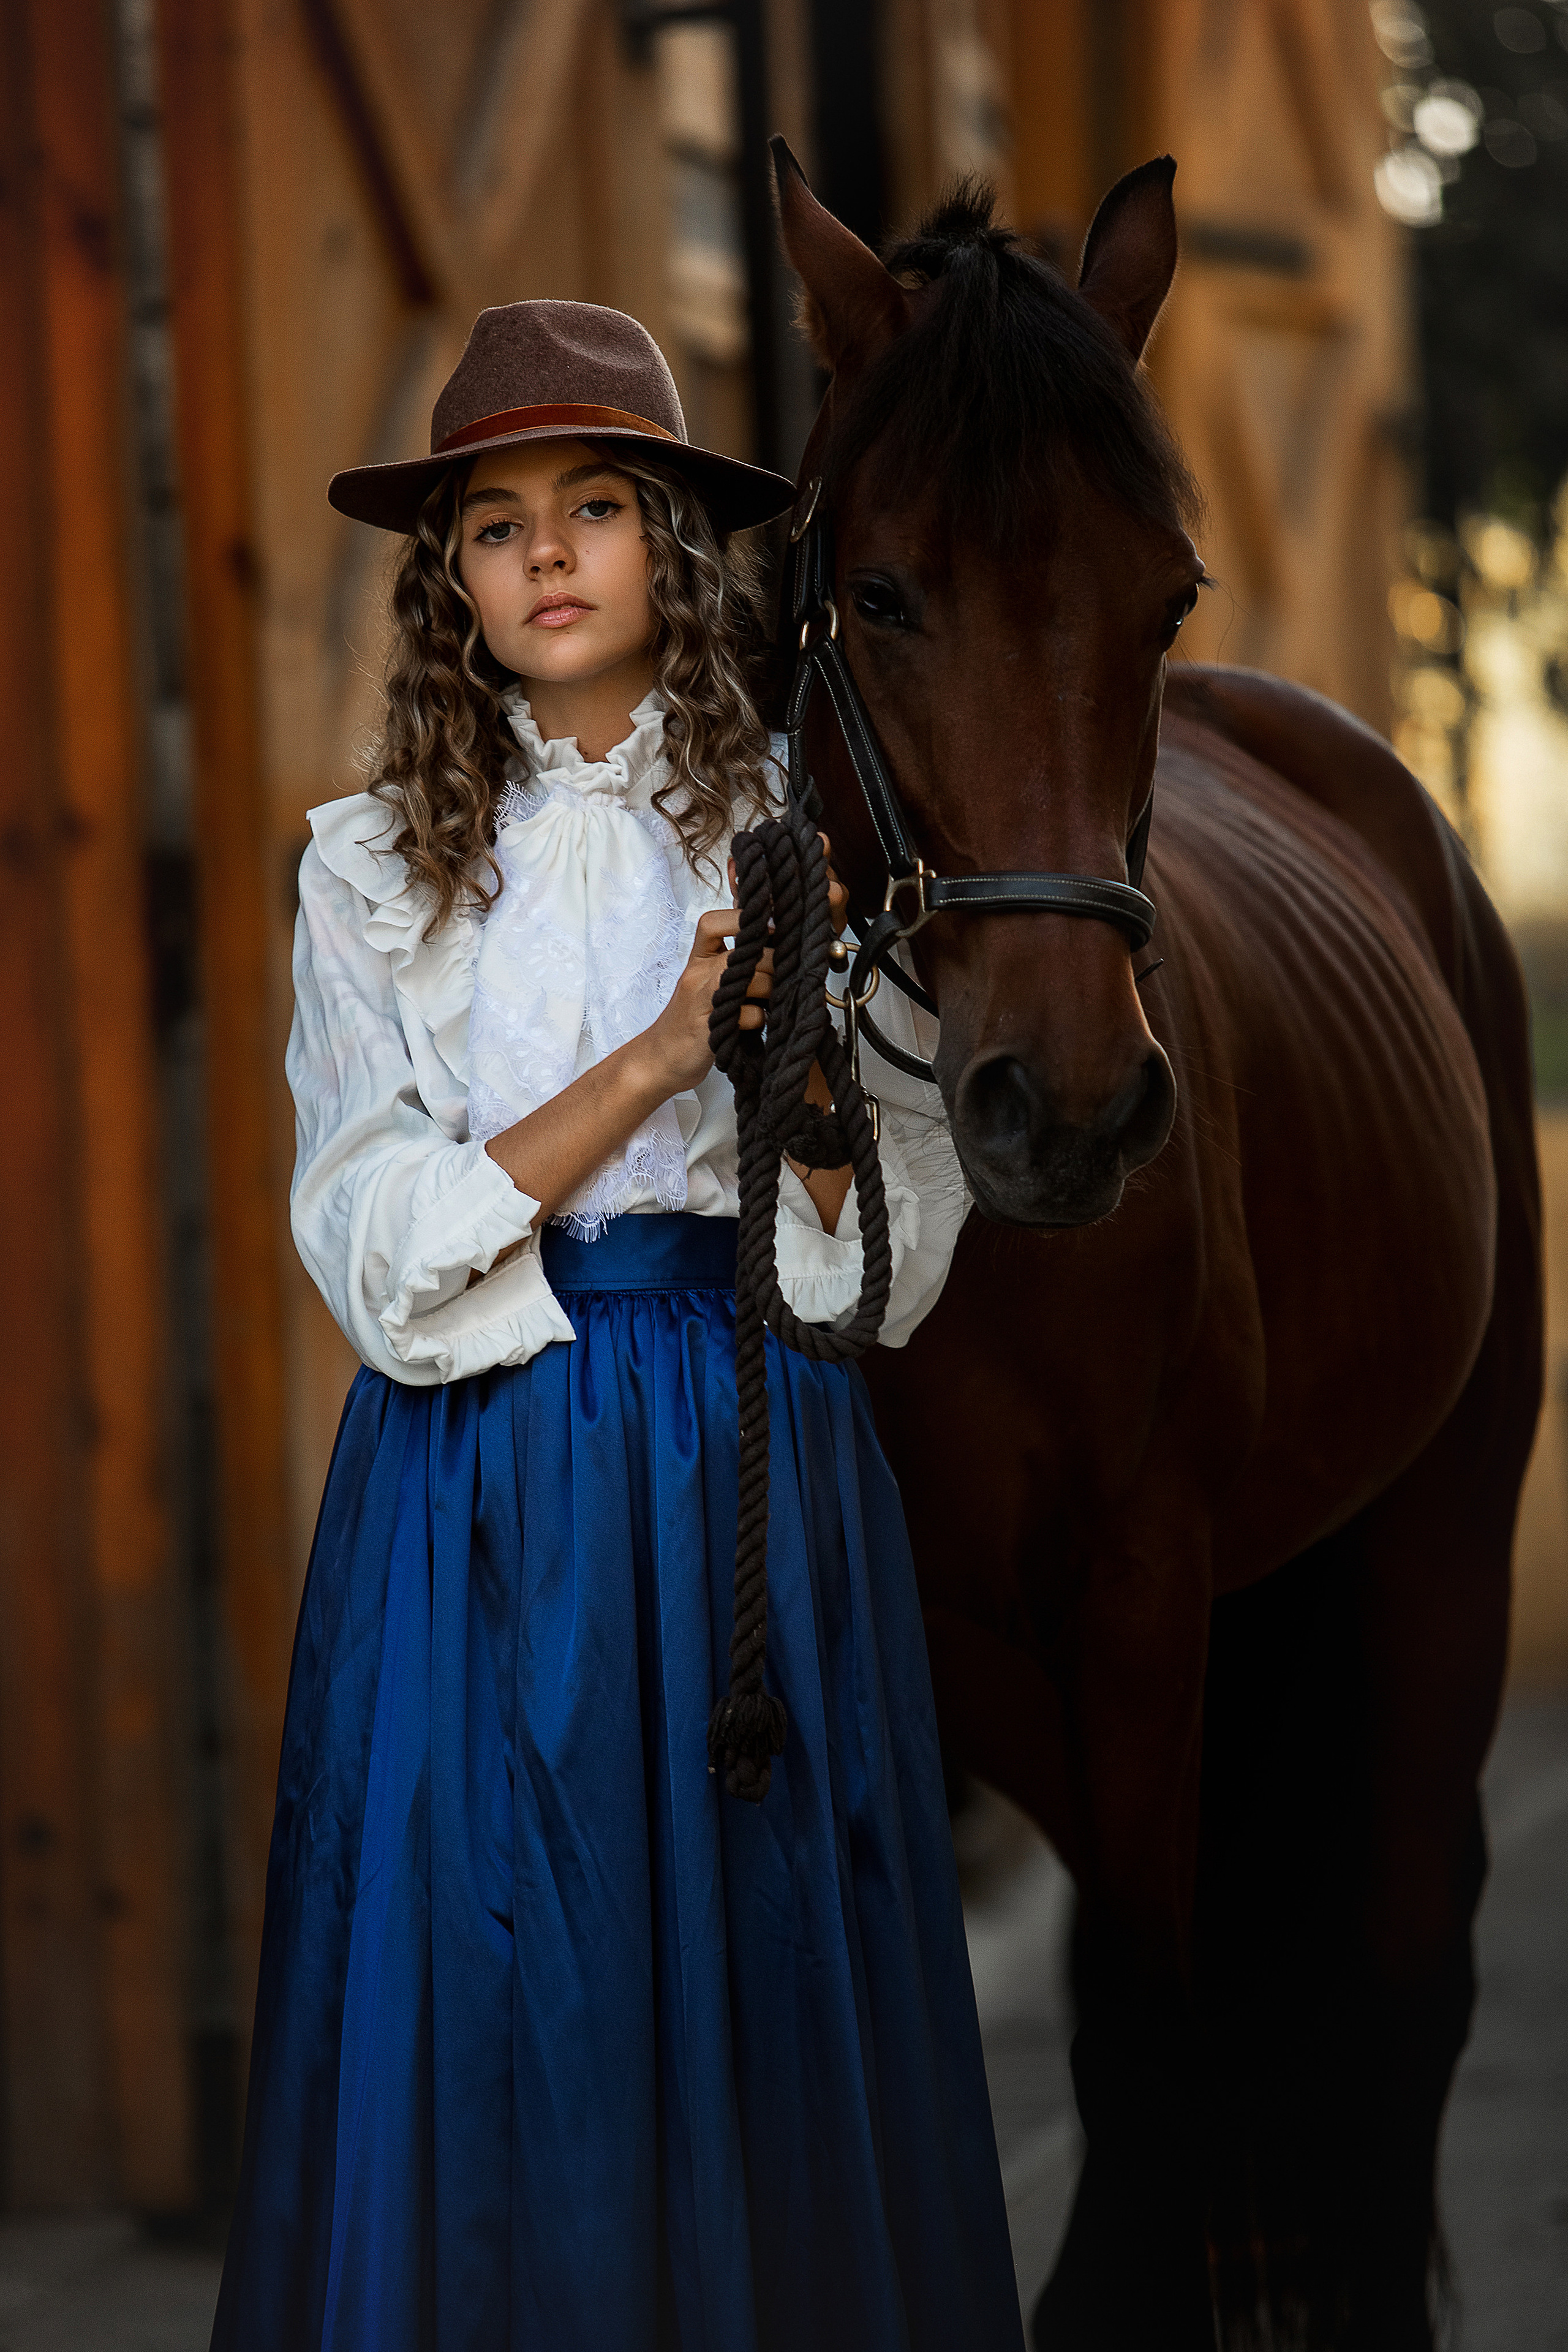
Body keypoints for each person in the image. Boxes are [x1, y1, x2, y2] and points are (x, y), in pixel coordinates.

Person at [209, 300, 1022, 2352]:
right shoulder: (373, 870)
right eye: (496, 524)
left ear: (673, 542)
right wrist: (666, 1057)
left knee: (746, 1978)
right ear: (450, 579)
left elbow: (877, 1263)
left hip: (742, 1456)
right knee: (497, 1974)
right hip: (480, 1472)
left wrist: (804, 1096)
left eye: (594, 506)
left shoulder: (798, 830)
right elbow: (384, 1242)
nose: (546, 555)